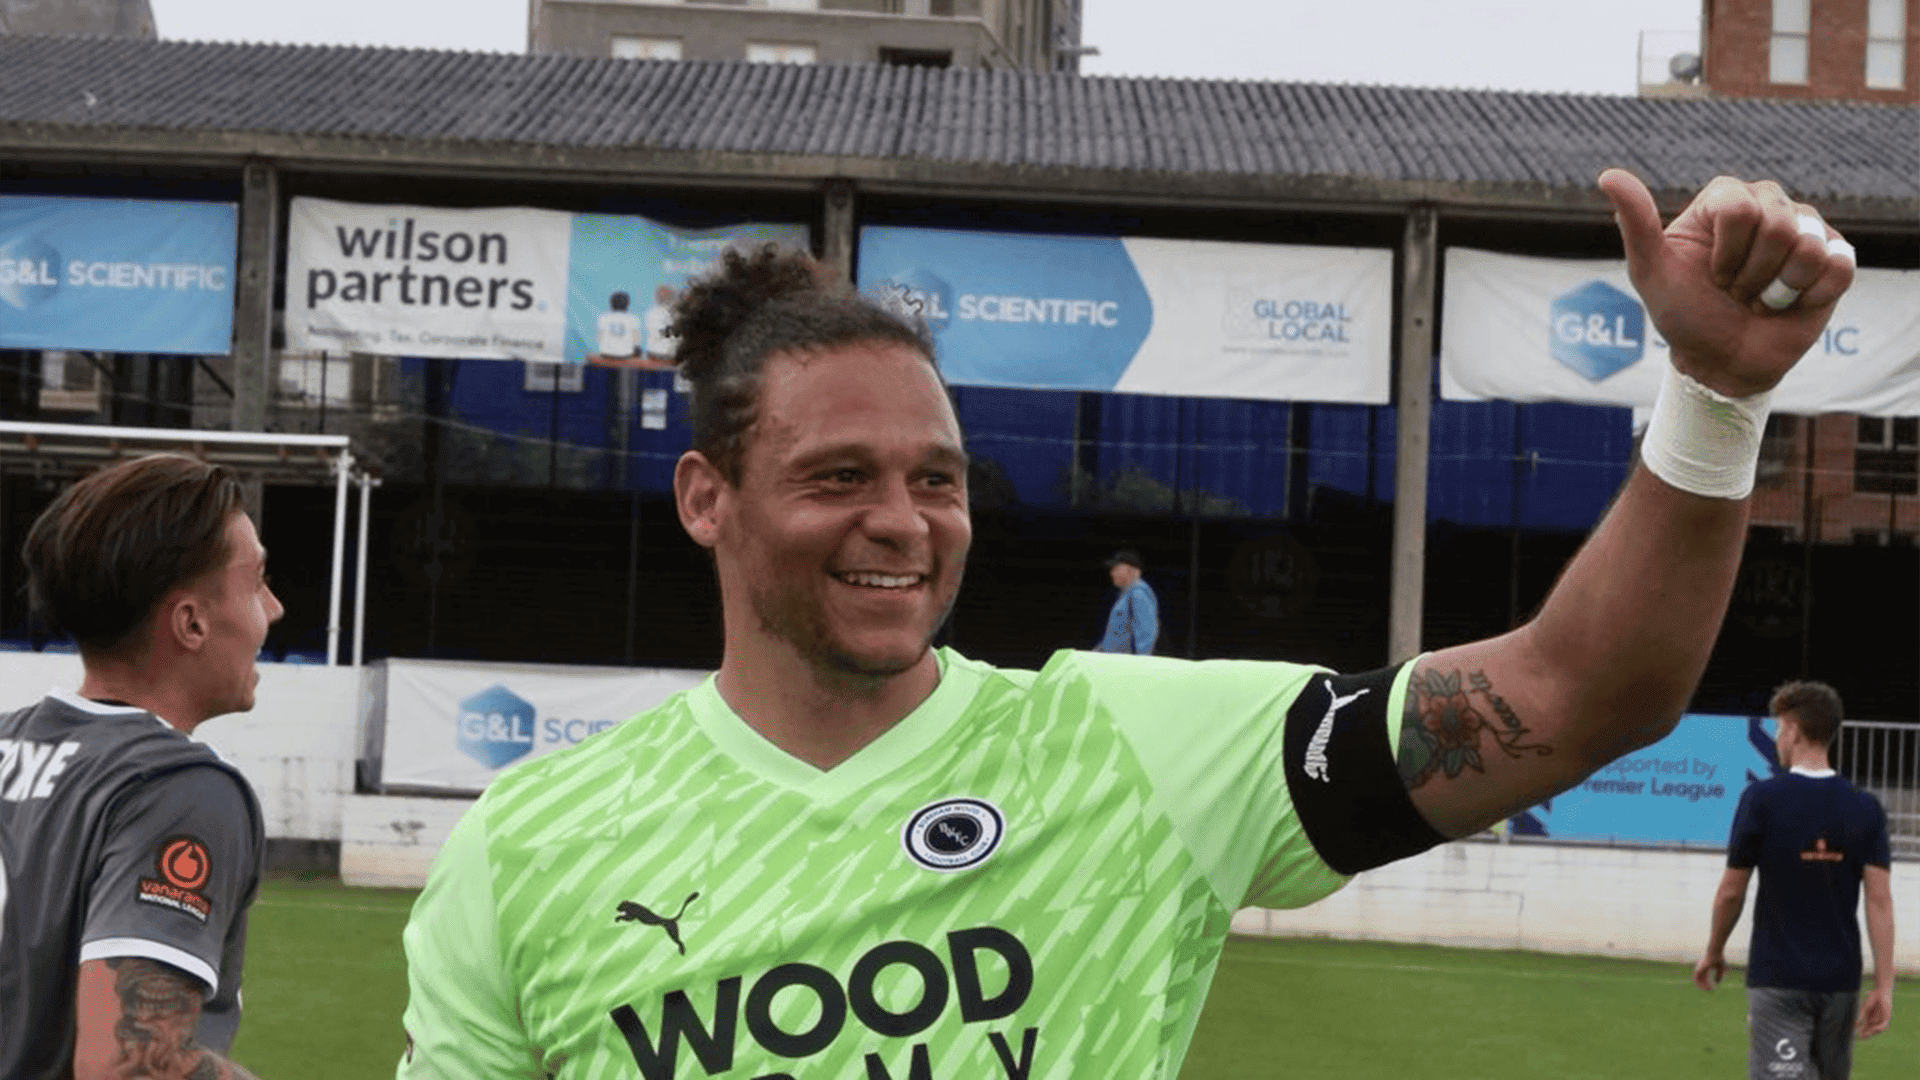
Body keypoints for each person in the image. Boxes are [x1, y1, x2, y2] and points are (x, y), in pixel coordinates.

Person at [398, 169, 1857, 1079]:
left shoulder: (1131, 749)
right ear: (707, 498)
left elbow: (1580, 691)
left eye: (938, 479)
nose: (903, 520)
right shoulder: (532, 849)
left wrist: (1715, 401)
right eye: (838, 478)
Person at [0, 453, 282, 1080]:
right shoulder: (178, 788)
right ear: (191, 623)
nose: (275, 608)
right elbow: (129, 1065)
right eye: (257, 582)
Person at [1694, 681, 1895, 1080]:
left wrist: (1714, 950)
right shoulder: (1865, 807)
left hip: (1779, 979)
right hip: (1840, 982)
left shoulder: (1762, 799)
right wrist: (1884, 986)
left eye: (1778, 729)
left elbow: (1731, 891)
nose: (1776, 740)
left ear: (1793, 730)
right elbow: (1880, 901)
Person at [1096, 548, 1158, 654]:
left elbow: (1146, 632)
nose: (1112, 573)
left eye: (1116, 568)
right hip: (1114, 659)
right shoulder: (1127, 595)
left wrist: (1141, 660)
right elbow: (1116, 636)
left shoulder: (1138, 594)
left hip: (1125, 661)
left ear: (1130, 570)